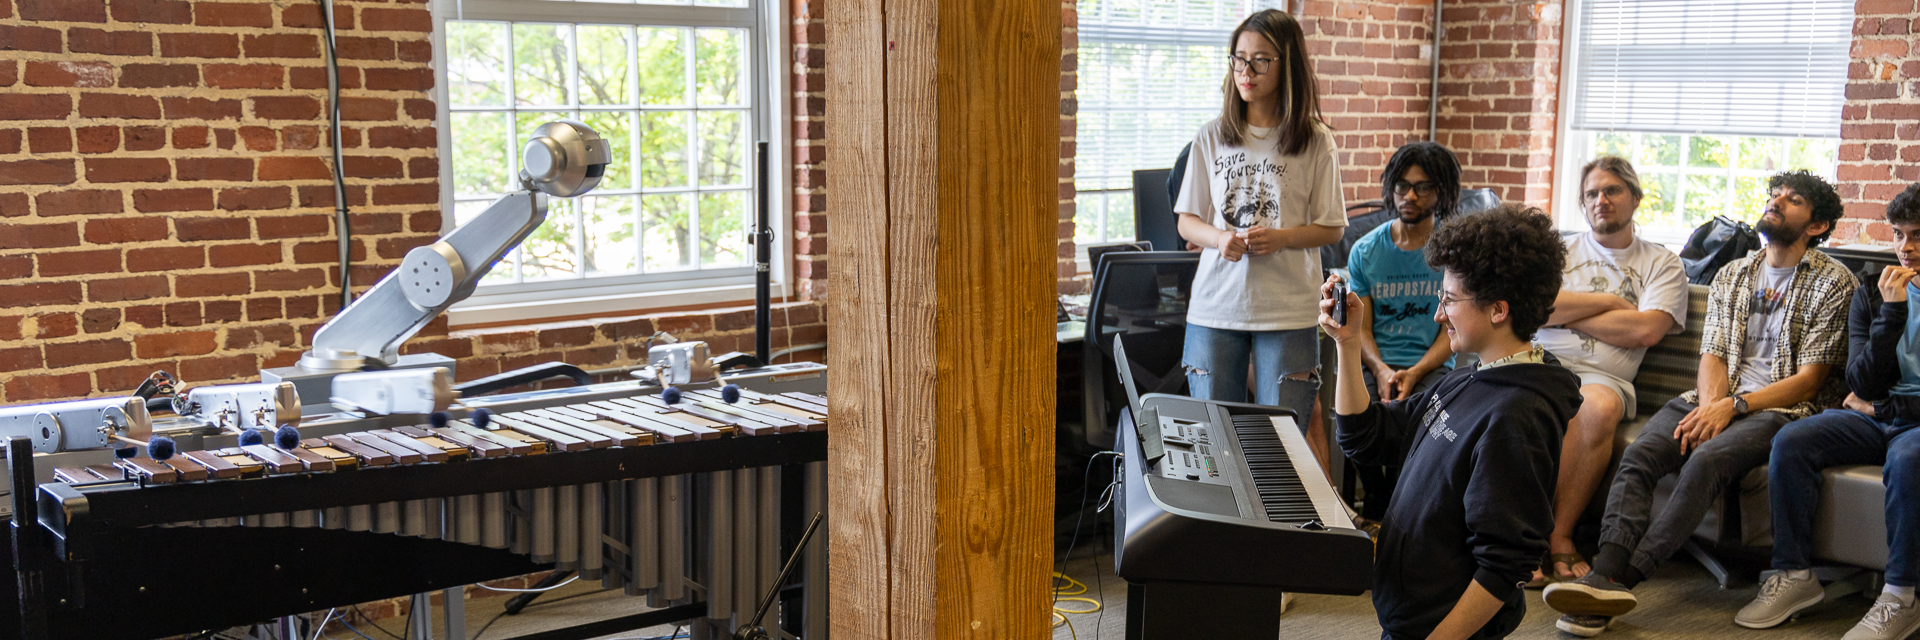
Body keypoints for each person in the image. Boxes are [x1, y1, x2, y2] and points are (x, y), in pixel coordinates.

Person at [1543, 170, 1857, 637]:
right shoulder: (1734, 274)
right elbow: (1712, 355)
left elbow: (1808, 382)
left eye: (1792, 200)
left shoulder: (1835, 283)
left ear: (1816, 226)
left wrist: (1735, 408)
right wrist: (1714, 404)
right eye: (1775, 195)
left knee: (1706, 460)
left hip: (1781, 411)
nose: (1776, 202)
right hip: (1711, 398)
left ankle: (1623, 580)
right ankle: (1604, 569)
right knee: (1640, 456)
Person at [1324, 205, 1581, 640]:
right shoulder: (1470, 377)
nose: (1438, 315)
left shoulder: (1516, 417)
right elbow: (1366, 437)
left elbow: (1506, 564)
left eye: (1448, 300)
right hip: (1411, 610)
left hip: (1441, 625)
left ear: (1498, 310)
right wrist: (1348, 345)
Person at [1733, 183, 1920, 640]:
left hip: (1902, 422)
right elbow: (1860, 381)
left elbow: (1870, 395)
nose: (1906, 247)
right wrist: (1892, 315)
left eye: (1917, 235)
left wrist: (1881, 405)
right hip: (1876, 416)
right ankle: (1794, 575)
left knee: (1909, 458)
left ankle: (1900, 597)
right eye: (1898, 234)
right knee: (1795, 440)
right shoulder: (1875, 292)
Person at [1174, 8, 1345, 423]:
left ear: (1288, 65)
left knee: (1281, 448)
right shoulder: (1211, 136)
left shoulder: (1315, 140)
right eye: (1238, 58)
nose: (1245, 70)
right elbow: (1187, 220)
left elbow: (1332, 226)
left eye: (1260, 60)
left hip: (1288, 310)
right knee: (1214, 442)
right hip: (1215, 309)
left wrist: (1283, 238)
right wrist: (1219, 239)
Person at [1530, 157, 1690, 585]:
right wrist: (1616, 305)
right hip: (1540, 365)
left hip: (1605, 379)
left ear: (1635, 197)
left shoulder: (1661, 263)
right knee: (1509, 405)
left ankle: (1558, 535)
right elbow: (1534, 310)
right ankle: (1512, 541)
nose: (1601, 200)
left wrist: (1563, 313)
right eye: (1591, 194)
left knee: (1596, 408)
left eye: (1612, 190)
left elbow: (1645, 330)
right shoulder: (1557, 253)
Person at [1343, 141, 1464, 522]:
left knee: (1423, 417)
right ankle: (1379, 501)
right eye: (1402, 186)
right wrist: (1380, 369)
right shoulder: (1365, 251)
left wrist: (1415, 372)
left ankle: (1398, 507)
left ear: (1441, 191)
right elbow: (1360, 325)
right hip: (1377, 360)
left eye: (1422, 187)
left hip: (1432, 365)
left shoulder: (1453, 250)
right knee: (1353, 411)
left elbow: (1453, 329)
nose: (1409, 196)